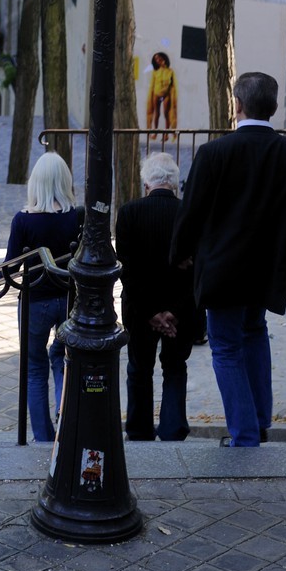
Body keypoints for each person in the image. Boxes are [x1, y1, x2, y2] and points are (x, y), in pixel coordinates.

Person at [169, 71, 286, 448]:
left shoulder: (214, 153)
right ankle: (259, 419)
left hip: (223, 270)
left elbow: (192, 212)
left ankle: (245, 433)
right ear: (274, 106)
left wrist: (179, 255)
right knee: (254, 333)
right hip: (268, 271)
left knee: (226, 346)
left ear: (237, 106)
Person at [115, 152, 197, 441]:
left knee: (139, 367)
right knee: (175, 366)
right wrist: (173, 312)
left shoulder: (128, 213)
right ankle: (173, 427)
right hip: (182, 311)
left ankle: (138, 428)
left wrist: (151, 312)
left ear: (146, 183)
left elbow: (125, 269)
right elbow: (196, 270)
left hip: (140, 309)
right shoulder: (189, 212)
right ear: (174, 184)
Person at [4, 152, 83, 442]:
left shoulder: (24, 221)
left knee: (34, 368)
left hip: (35, 300)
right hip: (68, 299)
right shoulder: (77, 217)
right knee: (64, 358)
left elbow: (9, 266)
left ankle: (43, 437)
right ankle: (66, 416)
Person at [145, 51, 178, 132]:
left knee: (166, 114)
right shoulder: (155, 72)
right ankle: (155, 132)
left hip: (166, 95)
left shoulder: (170, 71)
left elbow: (173, 85)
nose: (158, 59)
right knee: (157, 113)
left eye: (159, 57)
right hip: (156, 94)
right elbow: (152, 85)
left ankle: (166, 133)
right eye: (156, 58)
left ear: (164, 58)